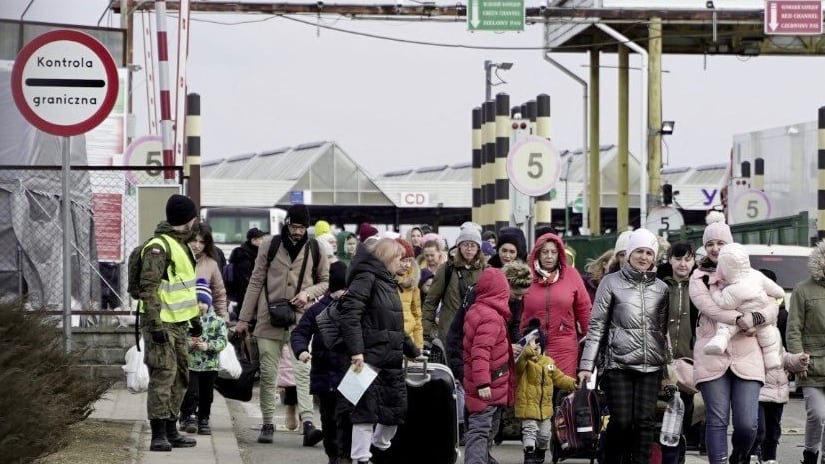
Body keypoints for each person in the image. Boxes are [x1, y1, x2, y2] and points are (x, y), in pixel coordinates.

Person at [235, 203, 329, 445]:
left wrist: (308, 293)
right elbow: (255, 281)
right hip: (269, 319)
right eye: (294, 226)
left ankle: (308, 422)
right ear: (287, 224)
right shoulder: (270, 245)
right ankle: (267, 423)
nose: (298, 231)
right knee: (268, 374)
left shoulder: (316, 248)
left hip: (301, 319)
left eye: (302, 227)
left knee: (303, 371)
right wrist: (244, 319)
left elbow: (325, 281)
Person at [689, 211, 778, 464]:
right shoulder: (698, 277)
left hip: (748, 354)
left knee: (748, 425)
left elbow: (772, 306)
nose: (715, 248)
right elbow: (710, 308)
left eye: (720, 243)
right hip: (712, 351)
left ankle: (739, 458)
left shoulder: (751, 273)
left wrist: (755, 319)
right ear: (704, 248)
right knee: (716, 420)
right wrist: (741, 319)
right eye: (709, 244)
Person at [578, 228, 670, 464]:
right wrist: (586, 365)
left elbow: (661, 332)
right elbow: (597, 325)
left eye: (649, 253)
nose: (644, 257)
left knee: (645, 423)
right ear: (628, 254)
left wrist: (667, 370)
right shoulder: (610, 283)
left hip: (651, 367)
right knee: (621, 421)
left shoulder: (661, 288)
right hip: (618, 364)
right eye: (639, 251)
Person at [337, 238, 422, 464]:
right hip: (366, 360)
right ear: (387, 258)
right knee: (363, 414)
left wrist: (412, 350)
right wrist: (356, 351)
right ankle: (361, 458)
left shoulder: (388, 282)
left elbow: (395, 326)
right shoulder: (367, 278)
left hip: (390, 360)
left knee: (394, 414)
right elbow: (350, 315)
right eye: (400, 259)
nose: (404, 264)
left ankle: (374, 449)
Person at [139, 194, 202, 452]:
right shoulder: (159, 247)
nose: (196, 221)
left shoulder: (182, 245)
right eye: (194, 217)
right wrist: (155, 326)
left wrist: (194, 319)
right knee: (163, 377)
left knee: (180, 377)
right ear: (187, 219)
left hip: (179, 324)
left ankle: (171, 428)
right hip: (161, 324)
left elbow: (185, 289)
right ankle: (158, 434)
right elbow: (148, 289)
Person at [291, 261, 352, 464]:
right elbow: (300, 332)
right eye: (339, 290)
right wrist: (301, 351)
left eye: (346, 290)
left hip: (349, 372)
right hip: (324, 373)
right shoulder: (317, 310)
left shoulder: (355, 308)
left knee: (347, 417)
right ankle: (333, 455)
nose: (342, 295)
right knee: (328, 418)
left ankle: (345, 456)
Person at [462, 267, 516, 464]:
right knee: (481, 430)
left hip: (484, 383)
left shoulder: (476, 310)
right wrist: (483, 383)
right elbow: (480, 351)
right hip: (489, 385)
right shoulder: (491, 317)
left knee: (485, 430)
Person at [519, 232, 591, 379]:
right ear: (537, 253)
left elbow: (584, 309)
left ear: (560, 254)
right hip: (531, 345)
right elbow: (514, 310)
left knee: (562, 391)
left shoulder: (571, 275)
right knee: (532, 394)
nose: (549, 256)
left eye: (553, 252)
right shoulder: (526, 276)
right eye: (545, 252)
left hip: (564, 347)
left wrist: (589, 340)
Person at [706, 243, 785, 369]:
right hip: (760, 310)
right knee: (767, 333)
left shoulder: (732, 290)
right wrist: (777, 293)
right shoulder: (756, 275)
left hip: (741, 316)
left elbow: (724, 304)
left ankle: (720, 341)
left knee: (726, 327)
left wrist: (714, 291)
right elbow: (776, 290)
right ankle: (772, 358)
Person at [657, 240, 700, 457]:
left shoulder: (700, 284)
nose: (683, 264)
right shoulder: (660, 283)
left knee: (686, 408)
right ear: (670, 259)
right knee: (662, 410)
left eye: (688, 259)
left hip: (689, 358)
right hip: (661, 358)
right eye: (678, 258)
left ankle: (680, 452)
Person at [516, 319, 577, 464]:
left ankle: (540, 451)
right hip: (528, 406)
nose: (535, 349)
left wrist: (574, 384)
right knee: (529, 430)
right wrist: (527, 349)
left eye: (538, 346)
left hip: (545, 408)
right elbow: (518, 366)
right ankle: (529, 454)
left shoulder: (548, 362)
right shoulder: (522, 362)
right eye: (532, 346)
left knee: (544, 435)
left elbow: (559, 378)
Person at [787, 238, 825, 464]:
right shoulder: (802, 289)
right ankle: (810, 453)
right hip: (812, 364)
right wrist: (798, 360)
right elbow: (793, 329)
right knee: (817, 415)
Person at [179, 279, 228, 435]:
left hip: (210, 365)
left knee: (207, 394)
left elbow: (222, 340)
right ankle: (189, 416)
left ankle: (203, 418)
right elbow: (180, 339)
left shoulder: (217, 322)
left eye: (203, 302)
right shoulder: (187, 321)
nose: (200, 305)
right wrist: (190, 345)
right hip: (191, 364)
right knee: (191, 392)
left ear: (209, 303)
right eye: (196, 301)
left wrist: (209, 346)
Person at [188, 222, 229, 319]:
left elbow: (219, 295)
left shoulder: (211, 263)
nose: (197, 246)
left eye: (202, 242)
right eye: (194, 240)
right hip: (176, 319)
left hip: (202, 319)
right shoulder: (177, 258)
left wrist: (223, 321)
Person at [227, 227, 267, 313]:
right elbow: (244, 278)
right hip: (246, 295)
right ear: (253, 240)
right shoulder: (244, 255)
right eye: (261, 239)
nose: (263, 241)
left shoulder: (256, 252)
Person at [396, 238, 424, 349]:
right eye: (404, 260)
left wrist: (418, 346)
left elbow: (417, 316)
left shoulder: (413, 283)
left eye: (409, 261)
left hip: (409, 341)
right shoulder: (384, 281)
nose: (408, 265)